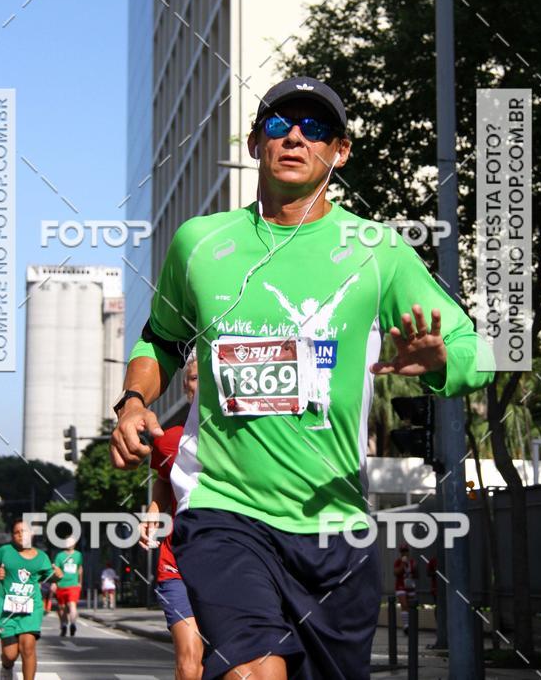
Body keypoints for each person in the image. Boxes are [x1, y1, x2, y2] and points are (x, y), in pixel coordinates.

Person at [110, 76, 496, 679]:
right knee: (253, 672)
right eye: (278, 125)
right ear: (254, 144)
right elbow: (161, 338)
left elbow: (477, 349)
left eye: (313, 128)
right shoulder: (200, 242)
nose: (294, 136)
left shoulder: (377, 250)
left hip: (334, 529)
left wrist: (443, 360)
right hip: (225, 511)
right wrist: (134, 400)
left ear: (339, 152)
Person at [140, 352, 203, 680]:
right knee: (190, 662)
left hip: (233, 563)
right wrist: (153, 512)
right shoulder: (168, 441)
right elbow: (164, 480)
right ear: (186, 388)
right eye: (193, 378)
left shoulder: (247, 439)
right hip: (176, 564)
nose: (199, 384)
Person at [0, 518, 62, 680]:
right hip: (8, 610)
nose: (21, 535)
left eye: (24, 531)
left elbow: (51, 577)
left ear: (32, 534)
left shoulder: (42, 557)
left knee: (28, 647)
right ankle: (6, 667)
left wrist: (57, 576)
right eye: (17, 532)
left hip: (31, 608)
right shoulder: (5, 551)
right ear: (13, 536)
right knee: (10, 654)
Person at [53, 537, 83, 637]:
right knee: (62, 607)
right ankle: (64, 624)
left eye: (71, 542)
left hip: (73, 585)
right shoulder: (60, 556)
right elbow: (55, 570)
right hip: (61, 585)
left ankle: (73, 624)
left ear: (75, 544)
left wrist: (80, 582)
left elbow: (80, 569)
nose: (69, 544)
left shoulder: (78, 555)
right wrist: (54, 582)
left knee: (72, 604)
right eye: (67, 542)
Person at [394, 543, 418, 635]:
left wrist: (414, 571)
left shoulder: (412, 562)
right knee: (404, 605)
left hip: (410, 586)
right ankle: (406, 625)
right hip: (401, 586)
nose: (404, 553)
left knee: (411, 606)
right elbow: (396, 572)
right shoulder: (398, 561)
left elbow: (417, 575)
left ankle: (411, 624)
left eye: (406, 551)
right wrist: (403, 564)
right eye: (402, 551)